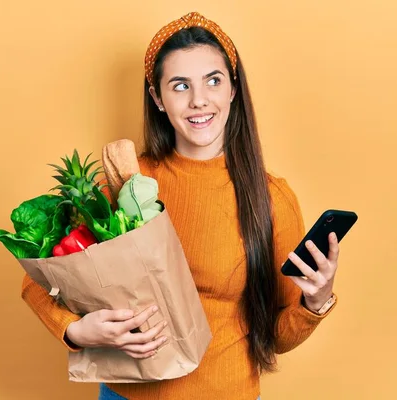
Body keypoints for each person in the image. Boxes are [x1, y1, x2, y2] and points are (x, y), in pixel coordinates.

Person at [21, 11, 340, 400]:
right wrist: (75, 330)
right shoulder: (125, 180)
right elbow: (40, 281)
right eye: (179, 85)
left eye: (213, 80)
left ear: (233, 90)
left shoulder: (270, 197)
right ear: (157, 97)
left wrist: (315, 302)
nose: (199, 100)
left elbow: (276, 337)